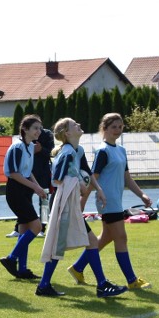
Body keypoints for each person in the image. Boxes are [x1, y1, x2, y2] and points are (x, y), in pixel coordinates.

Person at [37, 118, 127, 298]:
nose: (79, 125)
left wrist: (98, 189)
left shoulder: (77, 150)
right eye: (74, 125)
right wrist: (79, 183)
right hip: (65, 202)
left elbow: (86, 171)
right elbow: (57, 178)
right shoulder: (67, 153)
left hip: (69, 202)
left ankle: (45, 285)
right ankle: (101, 285)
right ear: (67, 133)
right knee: (68, 243)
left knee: (63, 243)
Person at [67, 113, 152, 290]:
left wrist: (141, 195)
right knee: (121, 237)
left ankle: (77, 268)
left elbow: (127, 178)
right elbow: (93, 178)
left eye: (120, 127)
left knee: (106, 237)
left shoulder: (120, 150)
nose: (118, 130)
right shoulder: (103, 151)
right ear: (104, 128)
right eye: (114, 127)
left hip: (115, 201)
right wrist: (83, 200)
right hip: (107, 202)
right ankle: (131, 280)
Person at [0, 114, 49, 279]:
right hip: (16, 191)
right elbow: (14, 173)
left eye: (40, 128)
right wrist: (35, 186)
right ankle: (11, 258)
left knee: (25, 228)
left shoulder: (30, 146)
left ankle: (22, 269)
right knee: (36, 227)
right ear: (25, 129)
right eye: (35, 128)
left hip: (25, 190)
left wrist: (38, 187)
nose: (38, 131)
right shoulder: (17, 147)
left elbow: (28, 172)